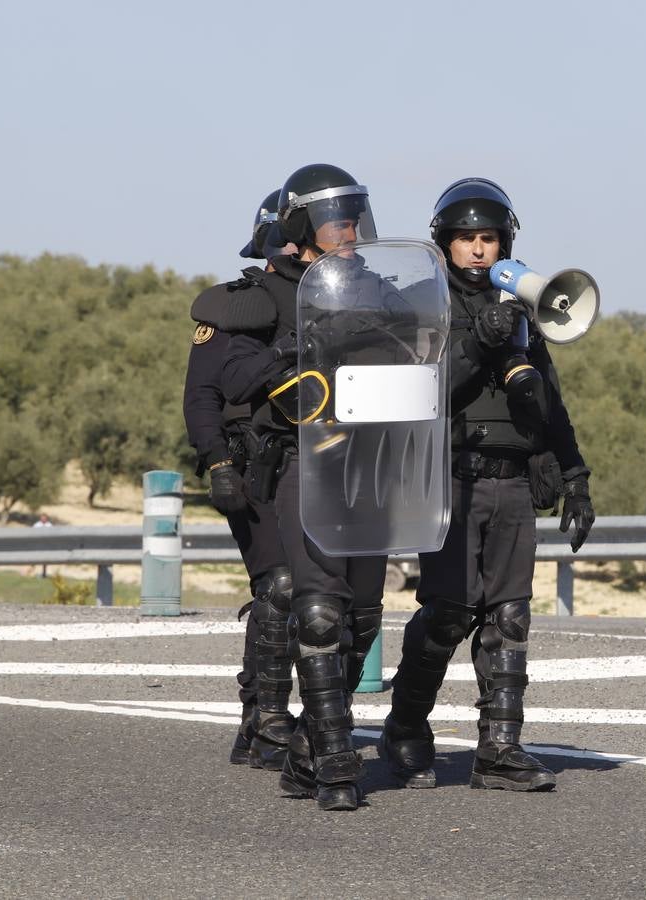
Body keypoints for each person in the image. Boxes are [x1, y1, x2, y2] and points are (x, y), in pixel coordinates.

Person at [381, 177, 594, 792]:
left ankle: (500, 750)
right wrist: (480, 339)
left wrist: (576, 477)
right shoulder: (423, 307)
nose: (479, 251)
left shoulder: (525, 312)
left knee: (510, 617)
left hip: (512, 485)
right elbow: (424, 392)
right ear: (444, 245)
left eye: (490, 239)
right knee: (447, 611)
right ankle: (406, 726)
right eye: (467, 240)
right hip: (449, 478)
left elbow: (550, 405)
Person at [218, 164, 395, 811]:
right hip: (302, 461)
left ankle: (303, 751)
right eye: (334, 221)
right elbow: (230, 366)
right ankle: (337, 762)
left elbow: (429, 347)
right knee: (319, 612)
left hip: (370, 466)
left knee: (365, 615)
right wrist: (285, 368)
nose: (348, 232)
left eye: (353, 220)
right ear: (302, 229)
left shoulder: (378, 291)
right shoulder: (269, 294)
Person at [184, 190, 294, 770]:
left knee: (331, 600)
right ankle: (267, 720)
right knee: (278, 587)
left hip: (324, 466)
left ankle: (260, 722)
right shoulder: (236, 307)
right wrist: (219, 464)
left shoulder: (338, 302)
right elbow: (201, 398)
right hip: (254, 468)